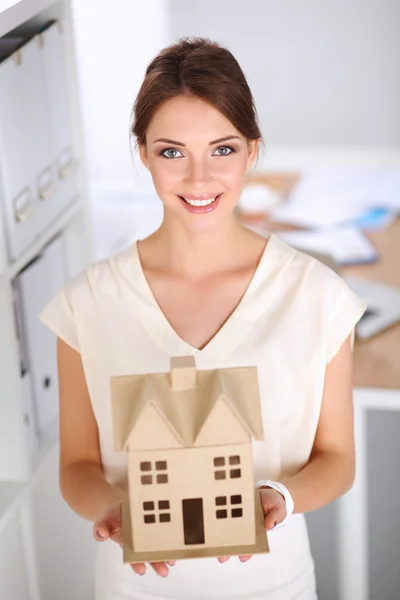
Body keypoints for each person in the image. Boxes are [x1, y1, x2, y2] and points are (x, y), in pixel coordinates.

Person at [39, 37, 367, 600]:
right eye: (171, 152)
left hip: (275, 585)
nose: (198, 179)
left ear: (252, 151)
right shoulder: (87, 303)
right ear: (142, 152)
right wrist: (115, 513)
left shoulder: (316, 296)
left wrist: (279, 499)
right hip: (135, 586)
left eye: (222, 149)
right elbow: (77, 465)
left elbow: (336, 461)